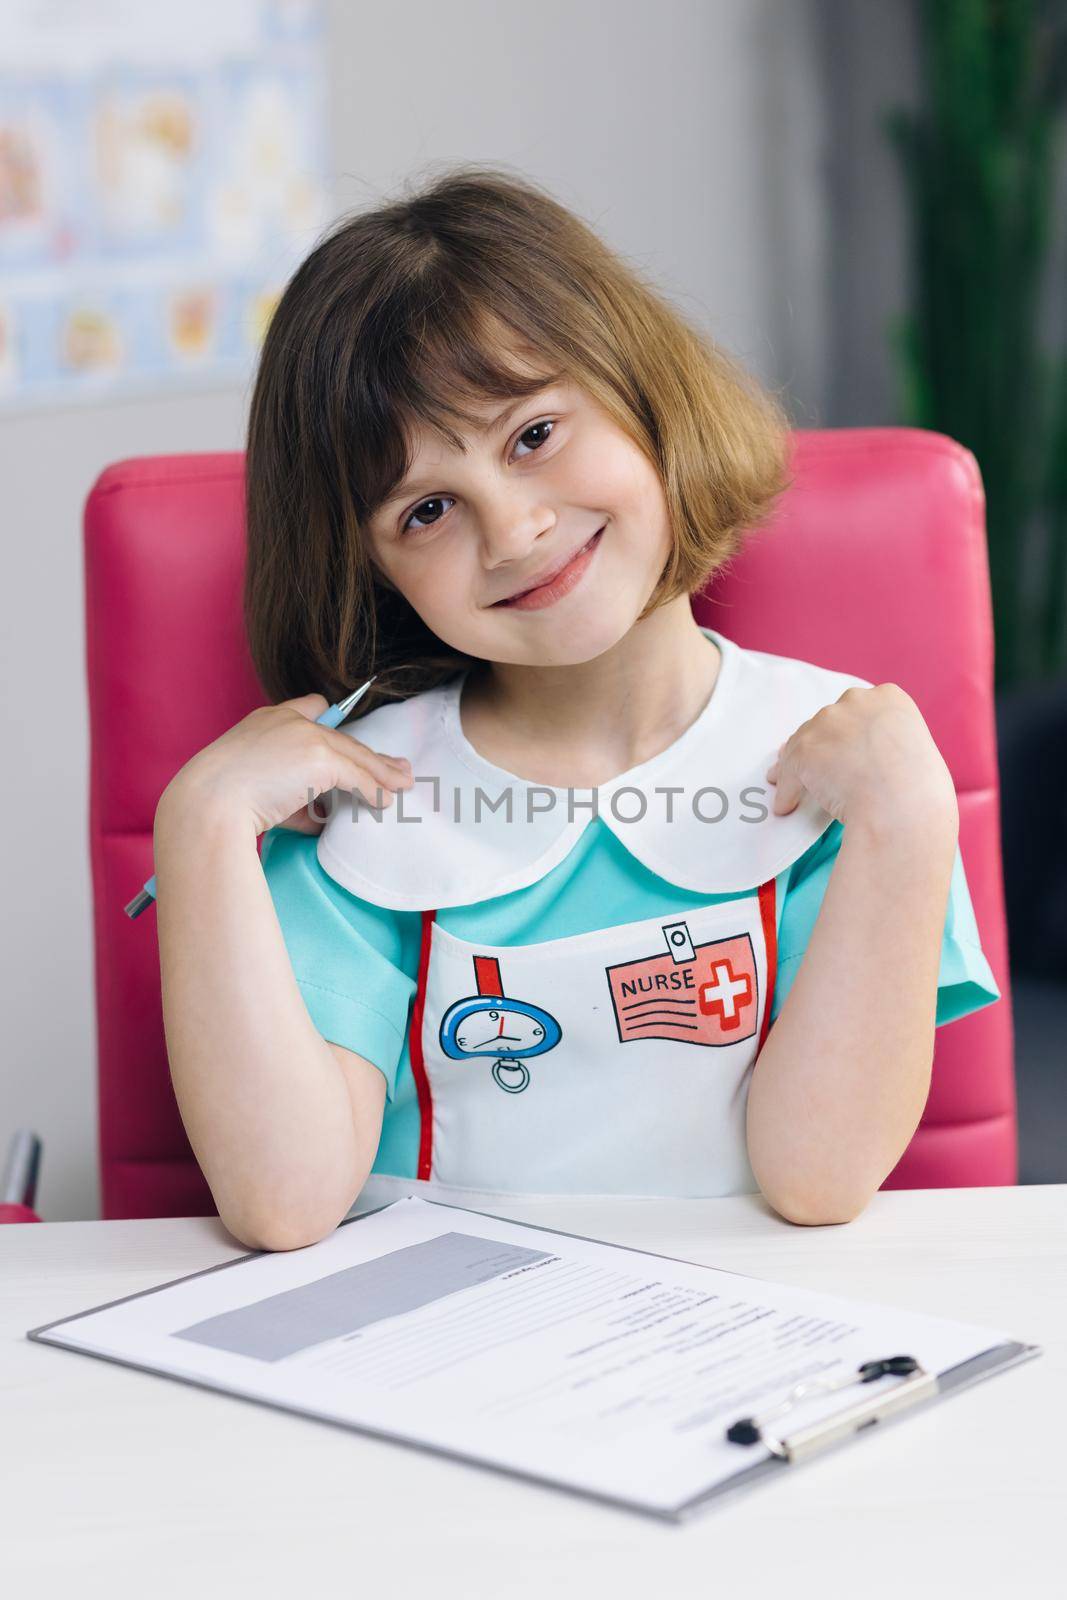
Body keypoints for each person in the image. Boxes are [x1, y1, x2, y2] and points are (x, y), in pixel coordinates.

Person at [152, 165, 1000, 1252]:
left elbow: (817, 1176)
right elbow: (283, 1199)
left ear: (643, 390)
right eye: (426, 510)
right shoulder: (367, 801)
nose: (510, 532)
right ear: (372, 571)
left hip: (745, 1355)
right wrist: (202, 821)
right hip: (431, 1358)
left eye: (534, 436)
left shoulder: (848, 768)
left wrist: (908, 822)